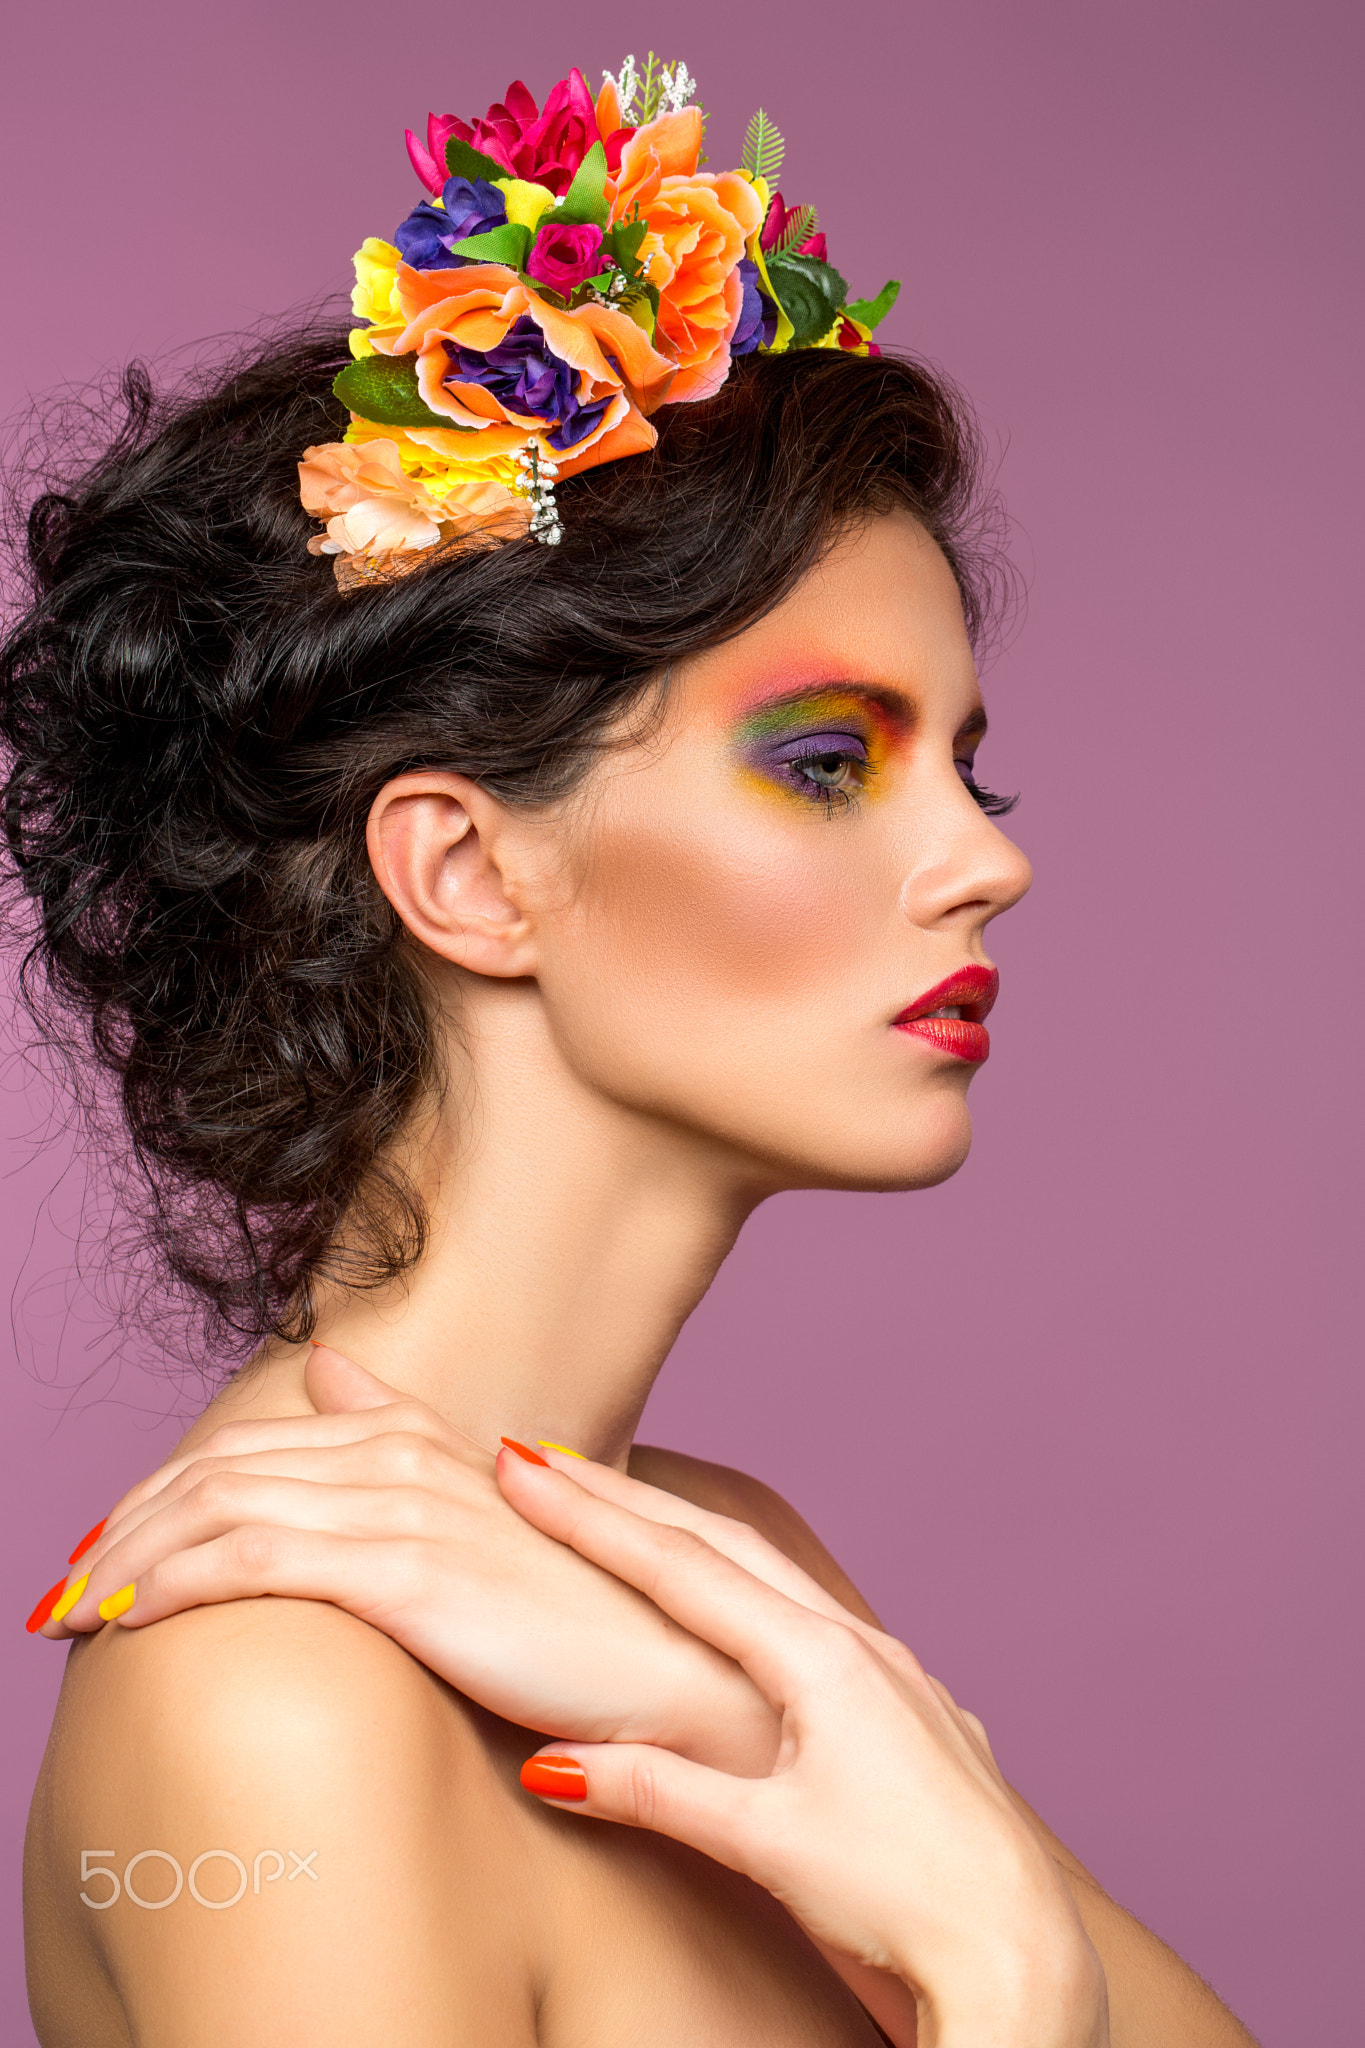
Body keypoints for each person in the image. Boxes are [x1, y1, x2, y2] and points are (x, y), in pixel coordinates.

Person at [10, 61, 1257, 2048]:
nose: (989, 860)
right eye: (827, 762)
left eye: (967, 761)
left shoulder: (726, 1581)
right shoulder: (279, 1710)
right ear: (467, 873)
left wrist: (756, 1721)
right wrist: (1001, 1992)